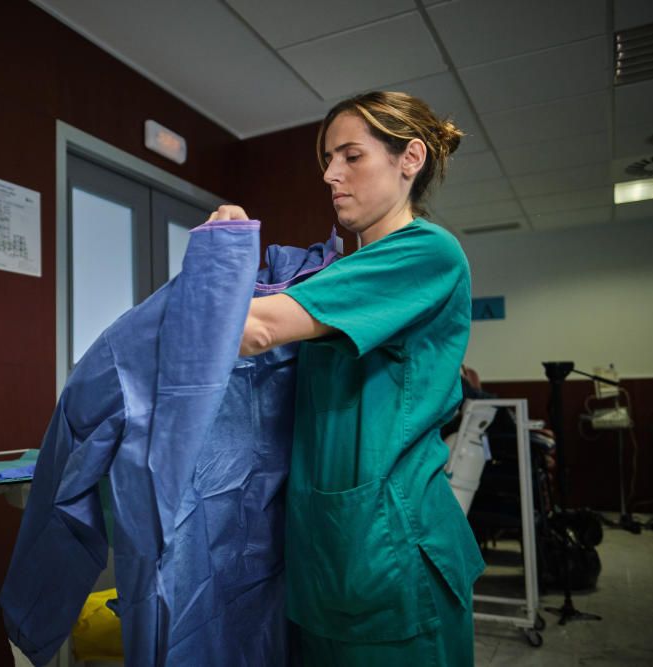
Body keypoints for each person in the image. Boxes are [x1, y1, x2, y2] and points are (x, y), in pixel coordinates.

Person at [207, 91, 485, 665]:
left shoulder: (426, 253)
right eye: (328, 159)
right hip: (328, 554)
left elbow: (252, 329)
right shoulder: (336, 273)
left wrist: (220, 257)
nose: (332, 174)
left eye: (351, 156)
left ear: (409, 158)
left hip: (390, 555)